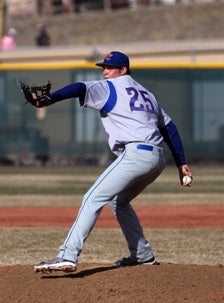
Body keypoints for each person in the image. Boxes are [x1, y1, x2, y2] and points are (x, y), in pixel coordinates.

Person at [33, 51, 193, 273]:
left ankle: (67, 255)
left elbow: (79, 87)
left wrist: (50, 99)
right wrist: (181, 162)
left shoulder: (111, 86)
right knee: (119, 202)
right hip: (157, 158)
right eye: (103, 67)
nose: (105, 72)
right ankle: (143, 255)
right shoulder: (148, 94)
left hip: (136, 153)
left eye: (109, 67)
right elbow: (170, 128)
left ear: (123, 70)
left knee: (91, 198)